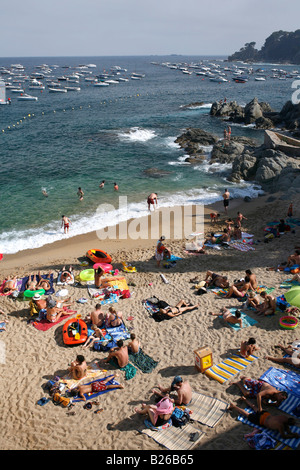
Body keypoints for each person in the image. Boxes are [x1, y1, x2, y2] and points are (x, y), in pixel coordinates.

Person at [228, 397, 299, 439]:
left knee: (254, 407)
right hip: (261, 420)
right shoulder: (280, 425)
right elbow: (283, 436)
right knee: (246, 414)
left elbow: (287, 426)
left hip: (265, 414)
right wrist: (293, 435)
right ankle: (233, 406)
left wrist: (291, 432)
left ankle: (244, 399)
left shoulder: (284, 417)